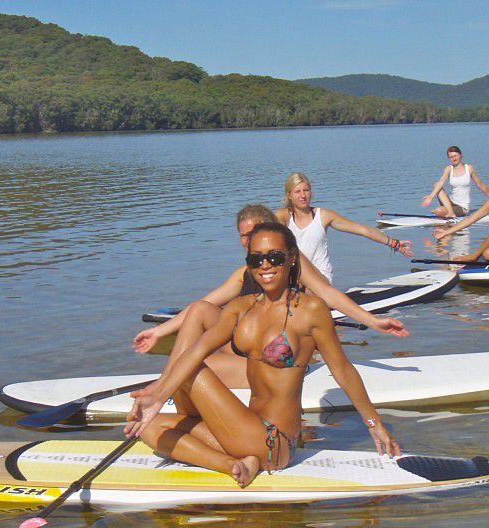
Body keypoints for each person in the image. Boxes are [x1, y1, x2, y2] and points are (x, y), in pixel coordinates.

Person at [124, 223, 400, 487]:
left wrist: (374, 423)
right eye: (256, 259)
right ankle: (233, 464)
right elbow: (198, 347)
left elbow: (342, 370)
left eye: (274, 257)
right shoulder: (241, 308)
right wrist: (155, 394)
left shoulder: (310, 310)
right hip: (244, 430)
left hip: (274, 440)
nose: (265, 265)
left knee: (191, 368)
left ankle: (250, 458)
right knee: (147, 428)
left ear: (292, 258)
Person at [134, 204, 409, 389]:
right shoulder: (246, 272)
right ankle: (167, 383)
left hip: (276, 363)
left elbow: (328, 294)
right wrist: (159, 333)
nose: (248, 240)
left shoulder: (291, 263)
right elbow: (205, 303)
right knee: (200, 309)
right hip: (246, 353)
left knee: (193, 365)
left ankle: (169, 385)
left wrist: (373, 322)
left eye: (253, 233)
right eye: (244, 236)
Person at [276, 172, 413, 283]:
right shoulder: (283, 216)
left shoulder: (323, 216)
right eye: (297, 192)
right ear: (289, 195)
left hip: (320, 278)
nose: (303, 196)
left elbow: (362, 230)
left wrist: (393, 243)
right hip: (294, 276)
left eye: (306, 190)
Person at [422, 146, 489, 218]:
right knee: (436, 184)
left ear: (460, 155)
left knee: (439, 210)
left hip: (462, 207)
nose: (454, 158)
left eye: (456, 156)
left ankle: (450, 213)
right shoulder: (449, 169)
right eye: (451, 157)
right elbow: (441, 182)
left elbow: (480, 184)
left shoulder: (469, 168)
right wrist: (431, 196)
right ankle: (450, 212)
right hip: (449, 204)